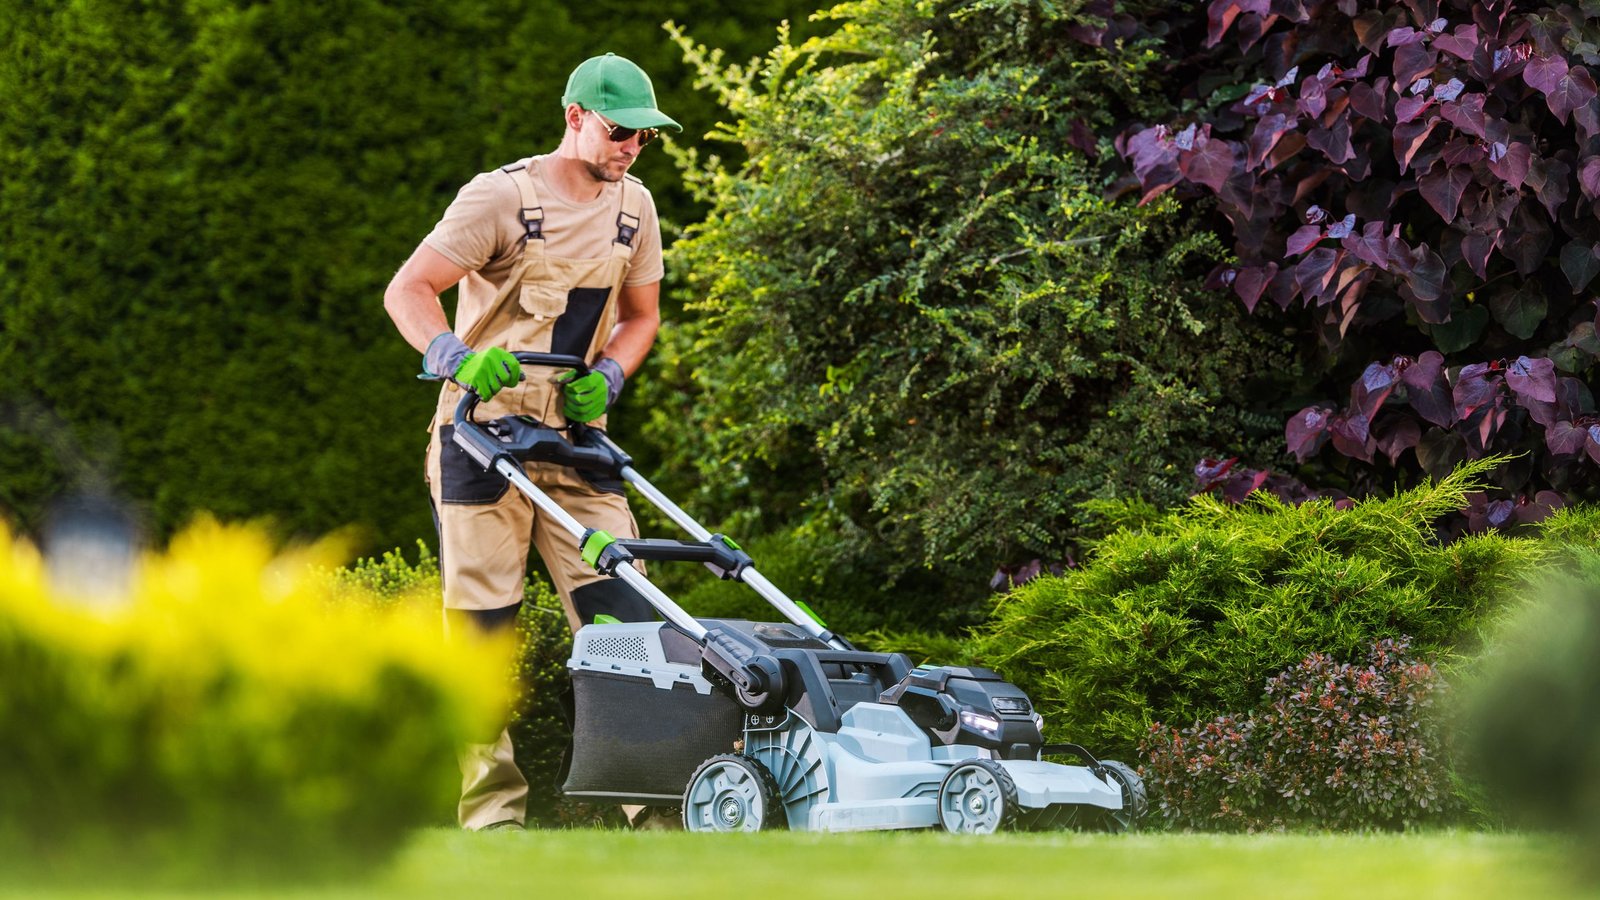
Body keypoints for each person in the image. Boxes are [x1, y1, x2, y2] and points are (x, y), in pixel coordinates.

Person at [383, 53, 678, 831]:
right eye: (620, 132)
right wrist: (453, 357)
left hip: (575, 439)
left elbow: (641, 317)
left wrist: (610, 375)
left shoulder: (635, 208)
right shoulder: (501, 198)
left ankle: (651, 809)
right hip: (481, 435)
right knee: (482, 630)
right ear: (576, 117)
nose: (631, 149)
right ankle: (492, 817)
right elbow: (407, 289)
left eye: (644, 138)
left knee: (625, 620)